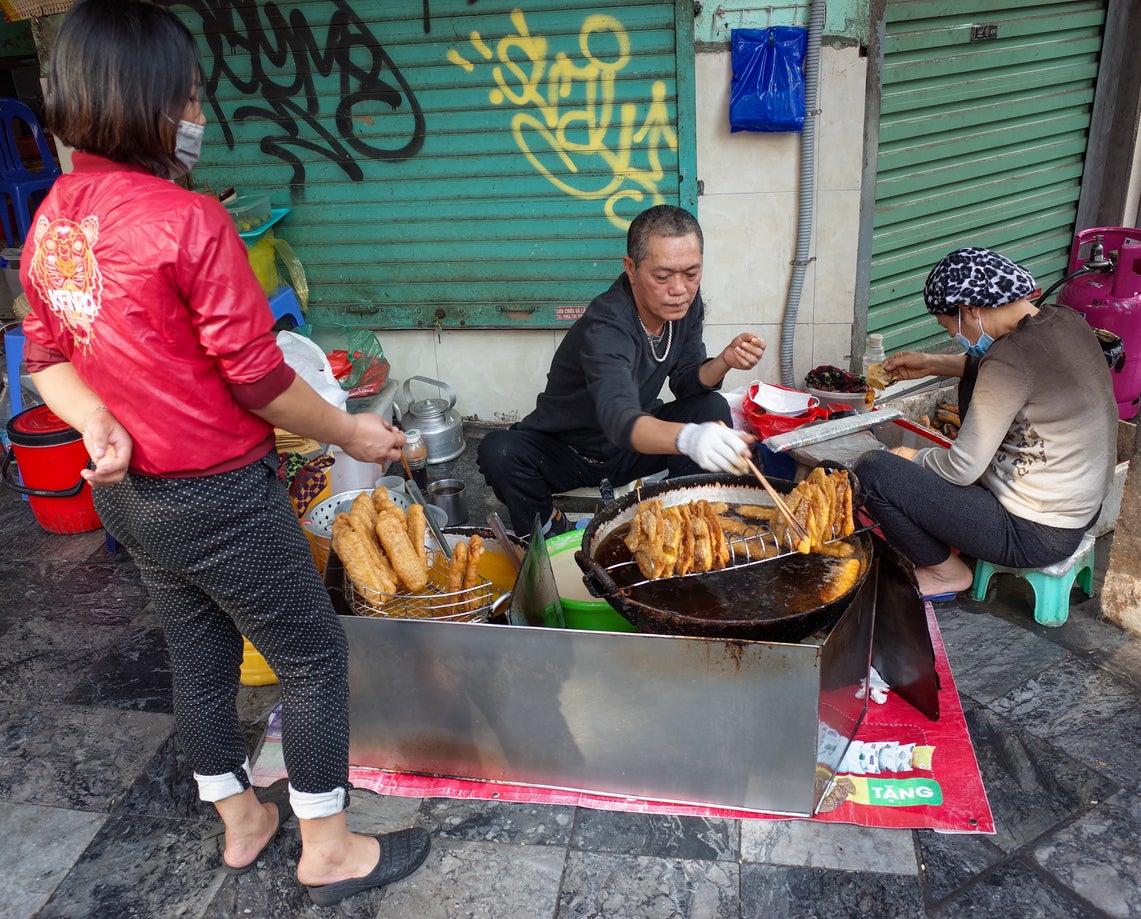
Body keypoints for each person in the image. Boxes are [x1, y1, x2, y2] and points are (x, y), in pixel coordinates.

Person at [20, 0, 428, 906]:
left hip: (133, 498)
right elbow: (255, 381)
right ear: (150, 100)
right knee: (314, 659)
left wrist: (94, 421)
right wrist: (355, 429)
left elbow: (43, 357)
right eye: (190, 95)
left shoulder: (54, 221)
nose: (196, 114)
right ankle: (328, 847)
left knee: (198, 655)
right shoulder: (187, 220)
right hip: (220, 497)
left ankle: (241, 818)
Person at [477, 204, 765, 536]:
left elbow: (686, 383)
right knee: (499, 451)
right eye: (662, 276)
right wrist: (690, 438)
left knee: (710, 407)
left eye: (691, 273)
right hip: (570, 452)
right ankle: (551, 525)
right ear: (631, 268)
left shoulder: (686, 304)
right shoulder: (607, 325)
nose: (679, 289)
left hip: (632, 448)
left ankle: (679, 522)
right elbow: (618, 419)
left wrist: (724, 361)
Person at [854, 247, 1117, 600]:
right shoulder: (1064, 320)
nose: (952, 336)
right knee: (970, 382)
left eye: (948, 325)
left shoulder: (1009, 358)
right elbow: (1016, 374)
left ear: (970, 310)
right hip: (1079, 512)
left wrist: (908, 456)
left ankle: (946, 573)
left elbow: (962, 468)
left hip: (1033, 533)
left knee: (874, 470)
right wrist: (932, 363)